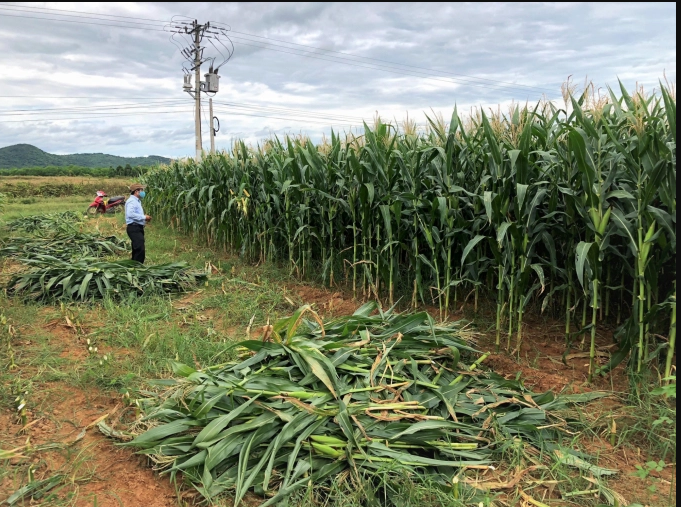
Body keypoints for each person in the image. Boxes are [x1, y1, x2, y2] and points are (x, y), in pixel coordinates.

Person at [125, 183, 151, 263]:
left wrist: (144, 219)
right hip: (134, 227)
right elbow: (130, 214)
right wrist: (144, 217)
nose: (143, 192)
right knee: (140, 249)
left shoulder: (137, 201)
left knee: (136, 248)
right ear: (136, 191)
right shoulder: (132, 201)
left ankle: (133, 267)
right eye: (141, 190)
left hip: (137, 227)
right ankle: (138, 268)